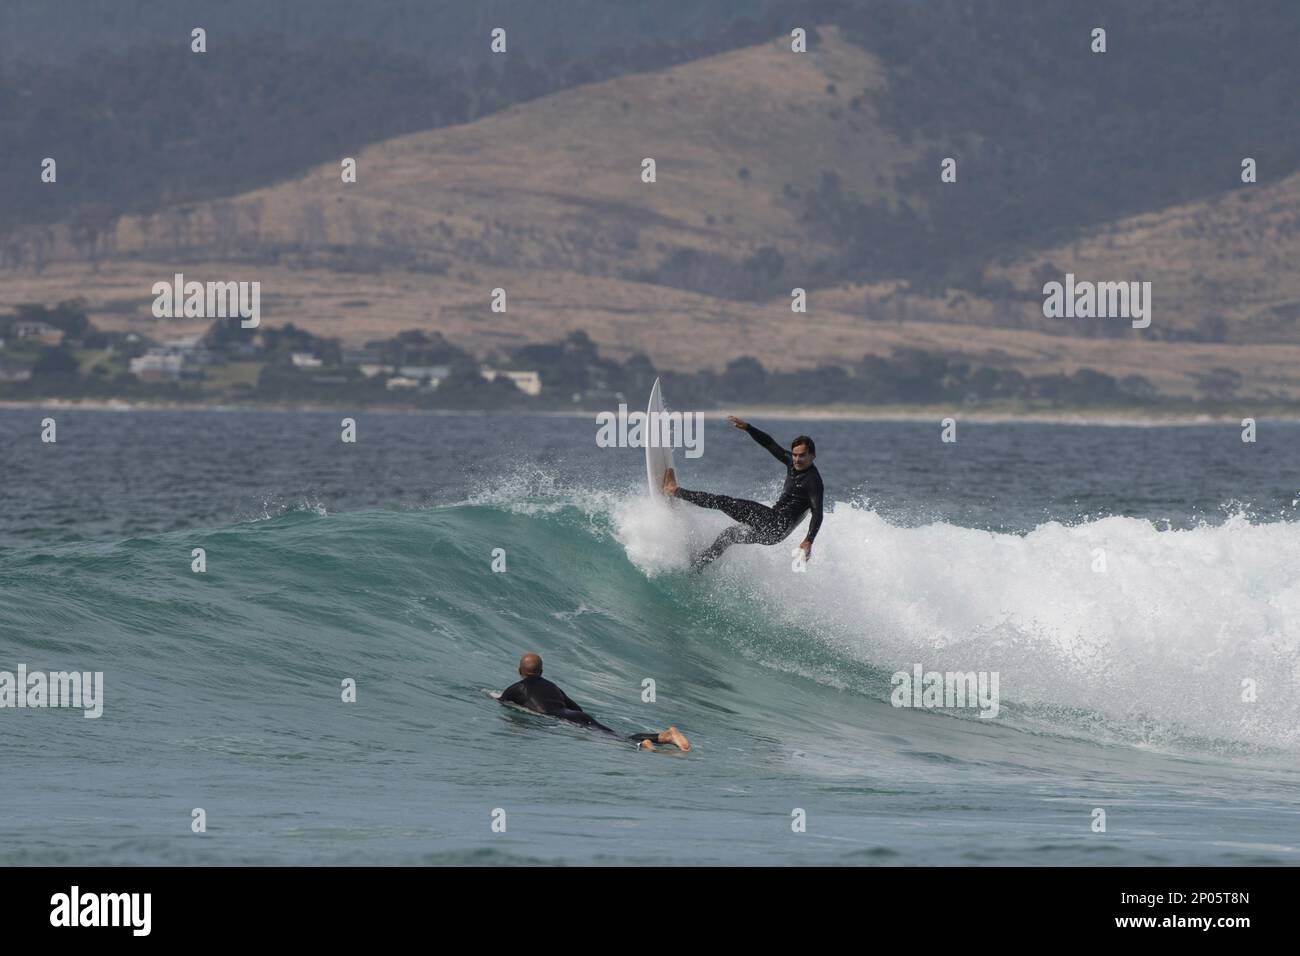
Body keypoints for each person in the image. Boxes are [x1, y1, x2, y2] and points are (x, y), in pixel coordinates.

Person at [664, 416, 823, 570]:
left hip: (775, 524)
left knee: (723, 502)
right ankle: (698, 565)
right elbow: (769, 444)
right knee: (730, 535)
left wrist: (809, 540)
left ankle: (674, 490)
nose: (797, 459)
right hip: (774, 536)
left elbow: (818, 513)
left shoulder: (813, 482)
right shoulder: (792, 463)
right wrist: (748, 428)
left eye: (802, 455)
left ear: (812, 456)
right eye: (795, 454)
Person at [498, 653, 691, 752]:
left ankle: (645, 744)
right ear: (542, 671)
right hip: (577, 716)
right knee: (614, 735)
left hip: (561, 719)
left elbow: (502, 702)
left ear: (519, 670)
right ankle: (664, 736)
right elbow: (575, 708)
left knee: (614, 741)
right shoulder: (553, 686)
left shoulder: (517, 688)